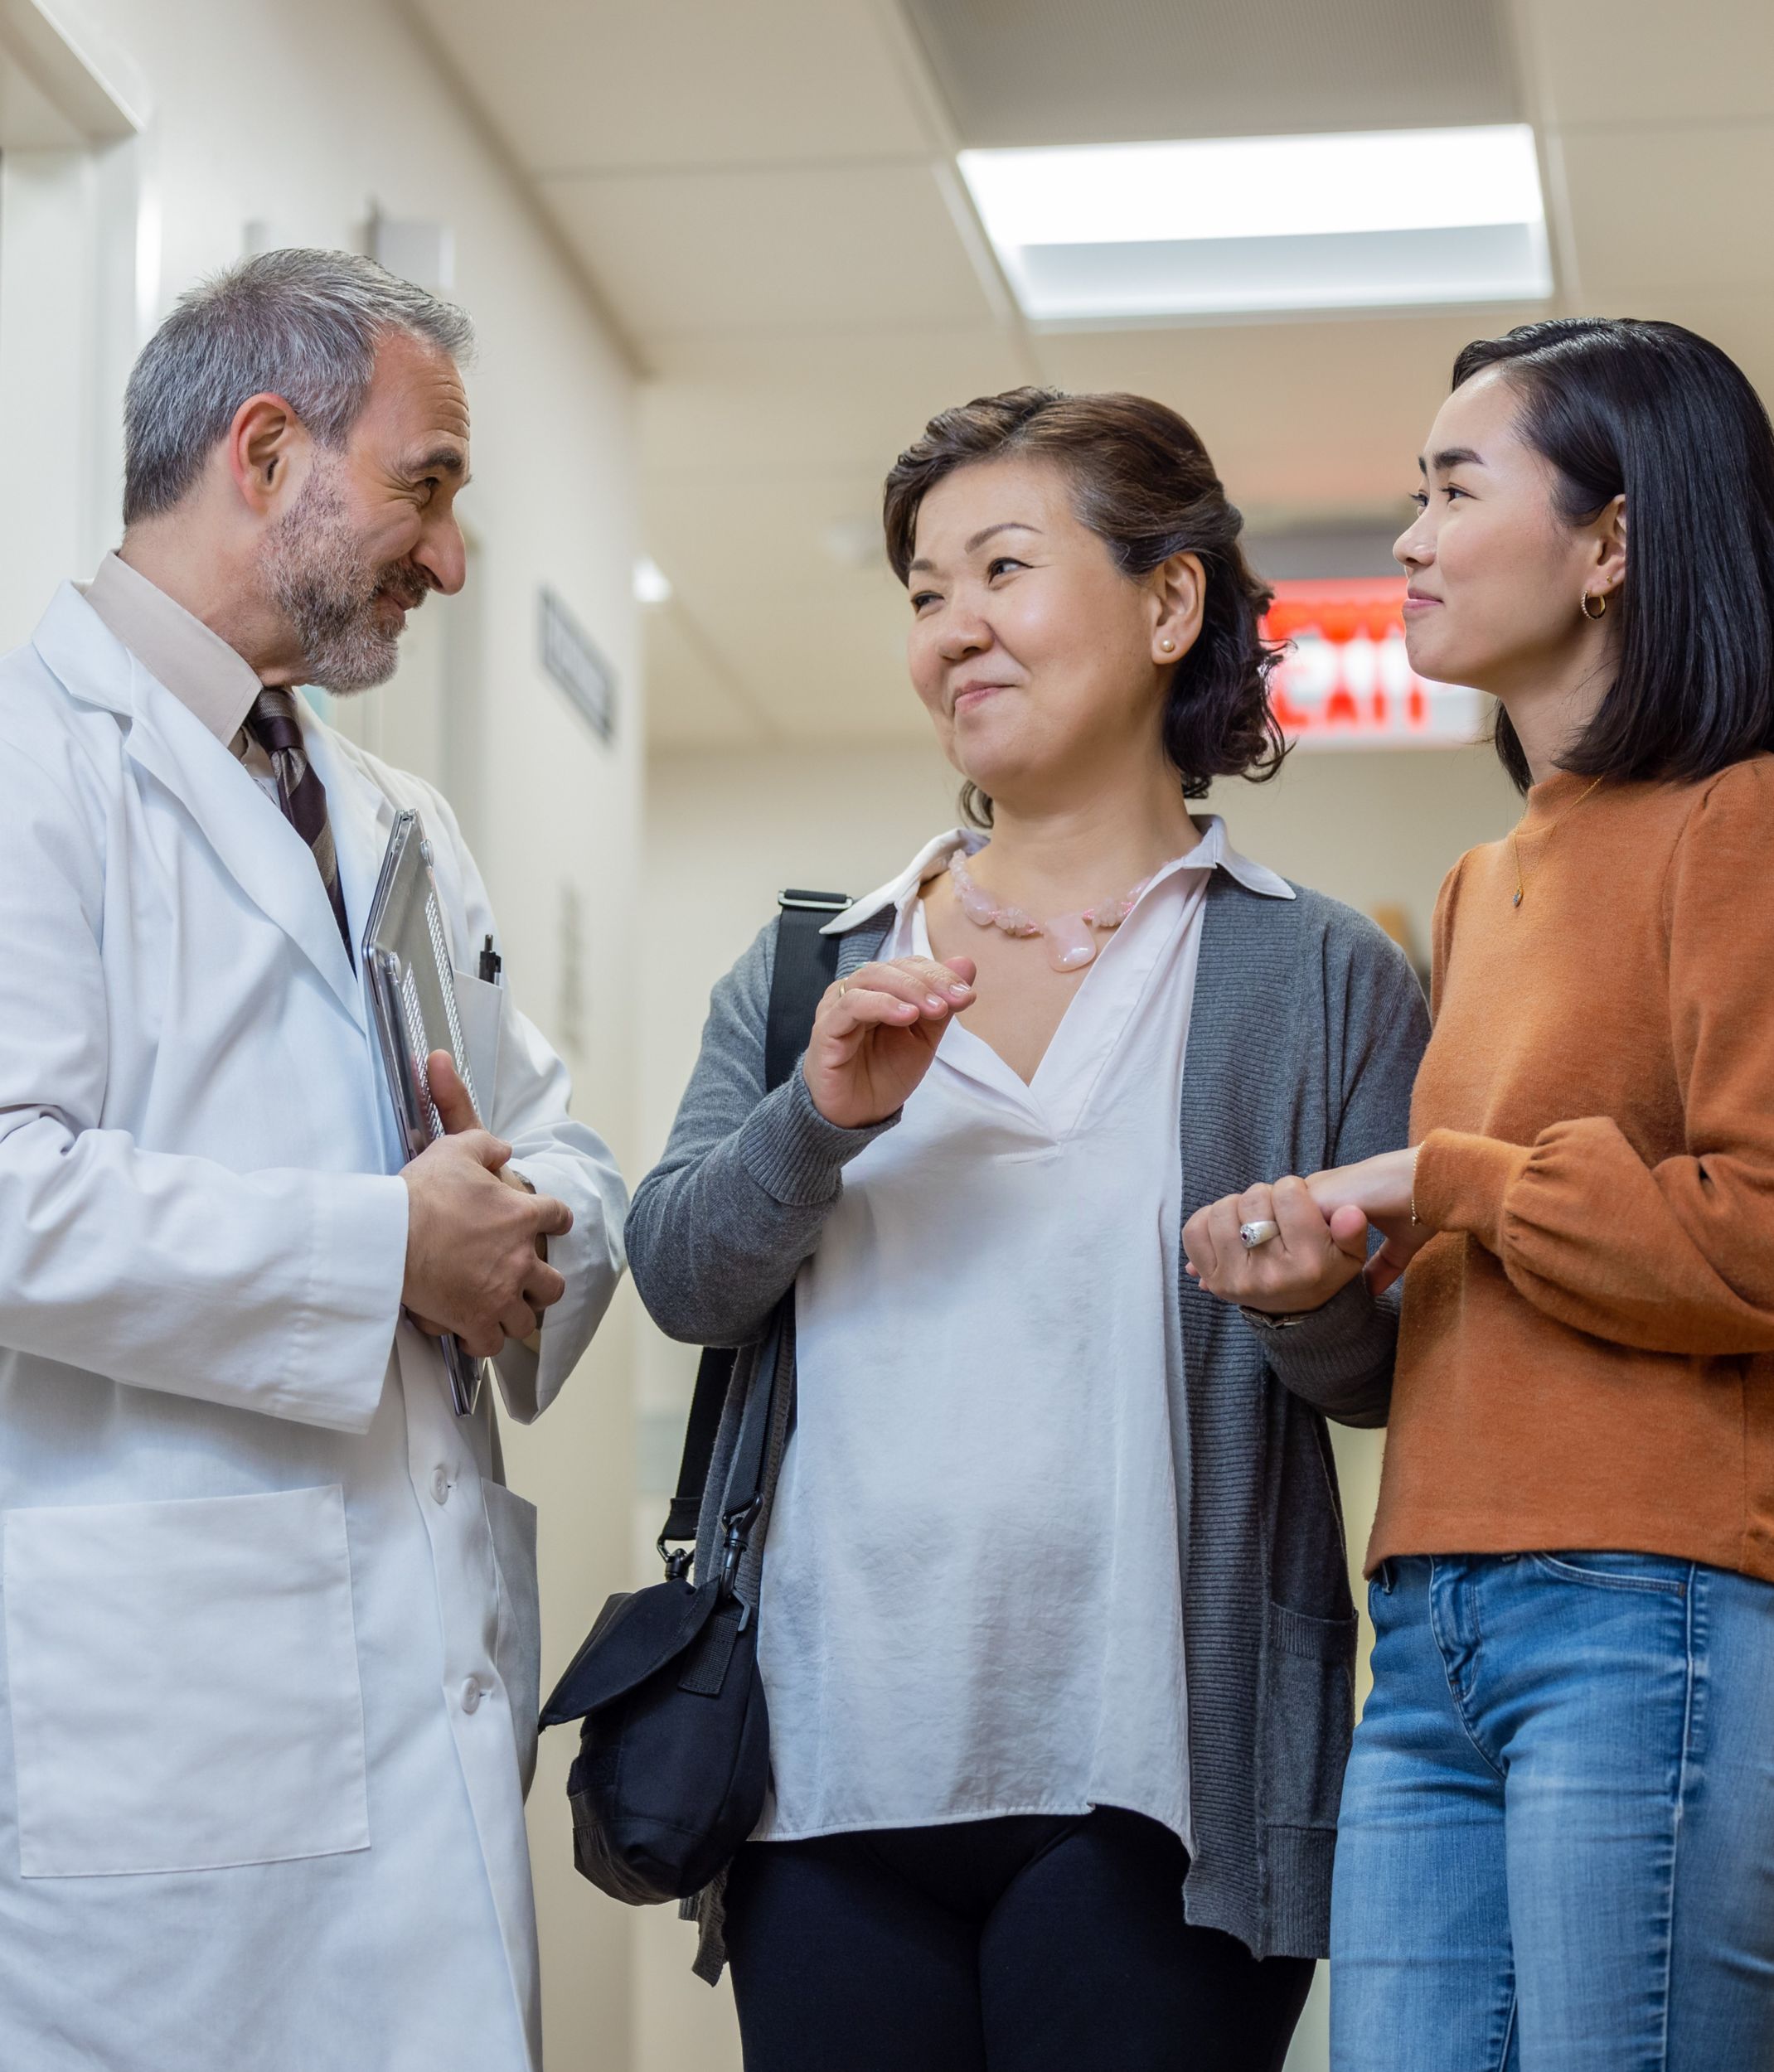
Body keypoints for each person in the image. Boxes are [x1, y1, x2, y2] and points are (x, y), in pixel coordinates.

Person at [625, 387, 1427, 2071]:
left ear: (1164, 601)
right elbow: (684, 1272)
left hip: (1158, 1775)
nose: (951, 627)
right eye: (921, 590)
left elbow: (1385, 1374)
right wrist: (820, 1111)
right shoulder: (809, 961)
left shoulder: (1317, 973)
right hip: (827, 1771)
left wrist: (1300, 1303)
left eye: (1000, 566)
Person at [0, 249, 628, 2072]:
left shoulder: (392, 815)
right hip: (164, 1725)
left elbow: (551, 1140)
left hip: (405, 1660)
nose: (452, 553)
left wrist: (524, 1222)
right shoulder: (34, 764)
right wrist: (385, 1249)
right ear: (265, 453)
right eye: (427, 484)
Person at [1187, 317, 1774, 2070]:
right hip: (1428, 1612)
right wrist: (1323, 1280)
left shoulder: (1736, 821)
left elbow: (1746, 1226)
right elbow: (1497, 1257)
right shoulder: (1473, 883)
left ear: (1610, 544)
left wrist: (1433, 1174)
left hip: (1646, 1603)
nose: (1406, 538)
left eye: (1452, 488)